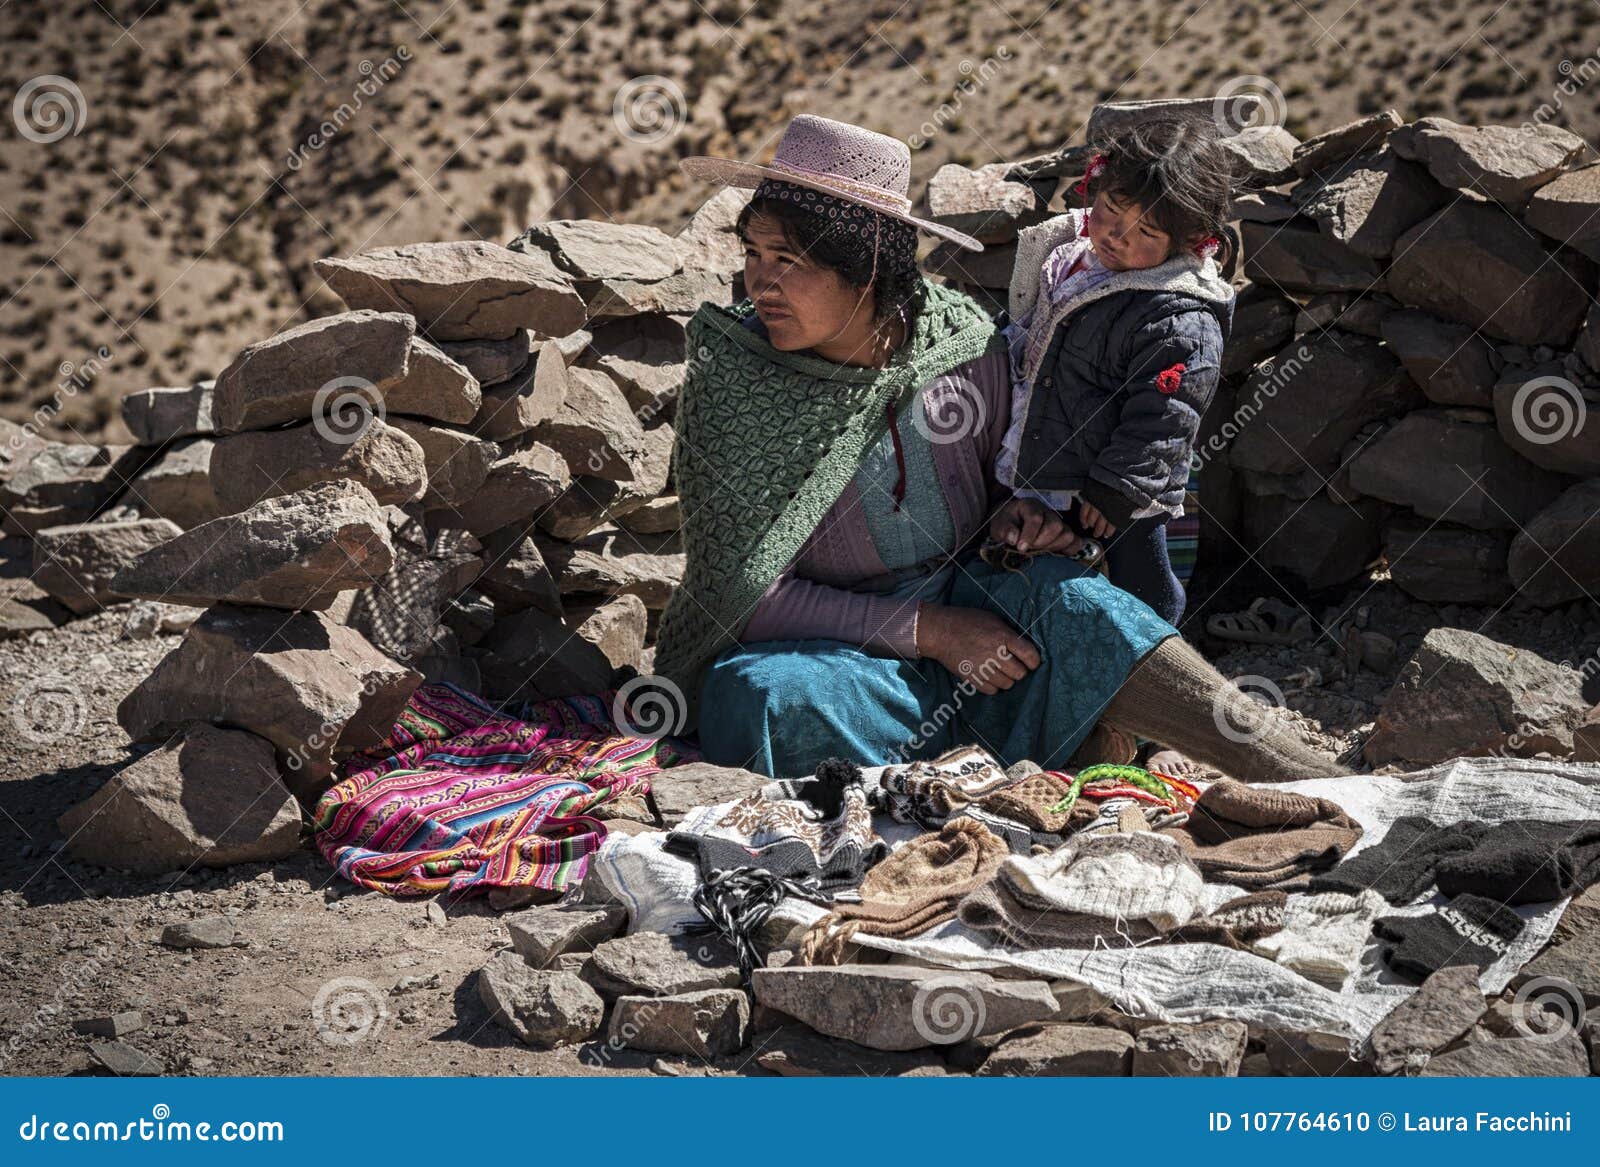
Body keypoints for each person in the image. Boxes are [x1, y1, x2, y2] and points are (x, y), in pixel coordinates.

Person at [651, 114, 1341, 786]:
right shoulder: (737, 378)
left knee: (1083, 609)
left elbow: (1008, 475)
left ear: (865, 268)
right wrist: (937, 631)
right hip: (834, 651)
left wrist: (1018, 519)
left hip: (975, 607)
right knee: (760, 695)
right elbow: (744, 596)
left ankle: (1303, 772)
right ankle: (1042, 742)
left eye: (789, 262)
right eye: (753, 254)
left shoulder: (962, 343)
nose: (760, 283)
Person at [997, 117, 1237, 632]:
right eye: (1110, 208)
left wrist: (1119, 489)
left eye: (1146, 231)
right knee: (1065, 570)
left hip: (1120, 490)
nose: (1115, 235)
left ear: (1192, 240)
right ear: (1096, 185)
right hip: (1057, 459)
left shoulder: (1180, 315)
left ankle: (1155, 659)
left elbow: (1167, 414)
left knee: (1138, 581)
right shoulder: (1072, 261)